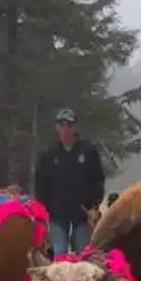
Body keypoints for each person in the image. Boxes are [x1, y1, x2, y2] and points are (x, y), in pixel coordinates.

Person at [34, 108, 105, 256]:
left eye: (69, 125)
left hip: (82, 215)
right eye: (61, 125)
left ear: (75, 127)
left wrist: (95, 206)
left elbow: (98, 180)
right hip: (57, 216)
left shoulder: (88, 151)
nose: (65, 129)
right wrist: (43, 210)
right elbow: (41, 183)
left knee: (84, 257)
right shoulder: (49, 154)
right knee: (59, 256)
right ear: (57, 128)